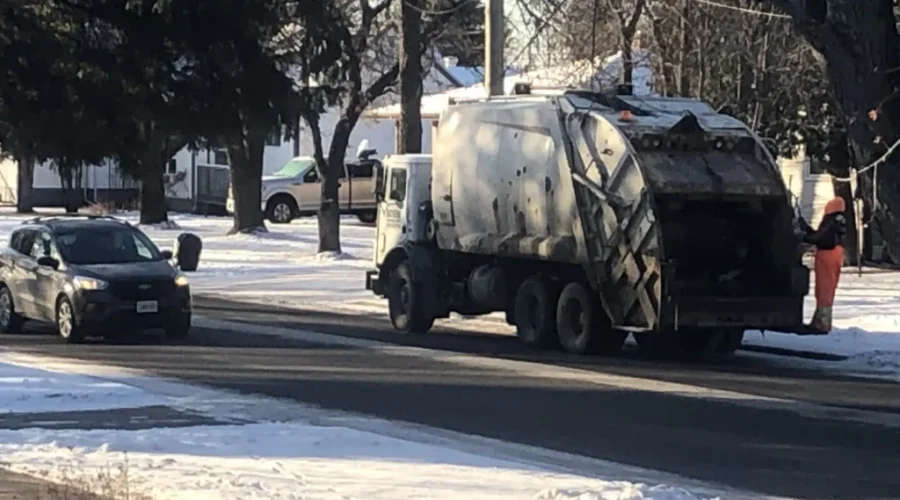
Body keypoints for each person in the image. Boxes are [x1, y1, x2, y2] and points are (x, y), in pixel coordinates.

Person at [799, 197, 848, 332]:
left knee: (823, 288)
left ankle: (822, 321)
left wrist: (805, 234)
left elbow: (820, 237)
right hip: (834, 255)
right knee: (828, 288)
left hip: (827, 256)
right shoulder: (840, 220)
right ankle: (821, 319)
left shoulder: (831, 220)